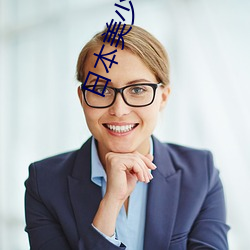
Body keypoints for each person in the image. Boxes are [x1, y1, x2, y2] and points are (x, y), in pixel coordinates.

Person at [24, 24, 230, 250]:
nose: (119, 110)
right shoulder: (44, 183)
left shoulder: (201, 173)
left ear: (163, 97)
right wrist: (110, 205)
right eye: (101, 90)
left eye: (138, 90)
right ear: (82, 98)